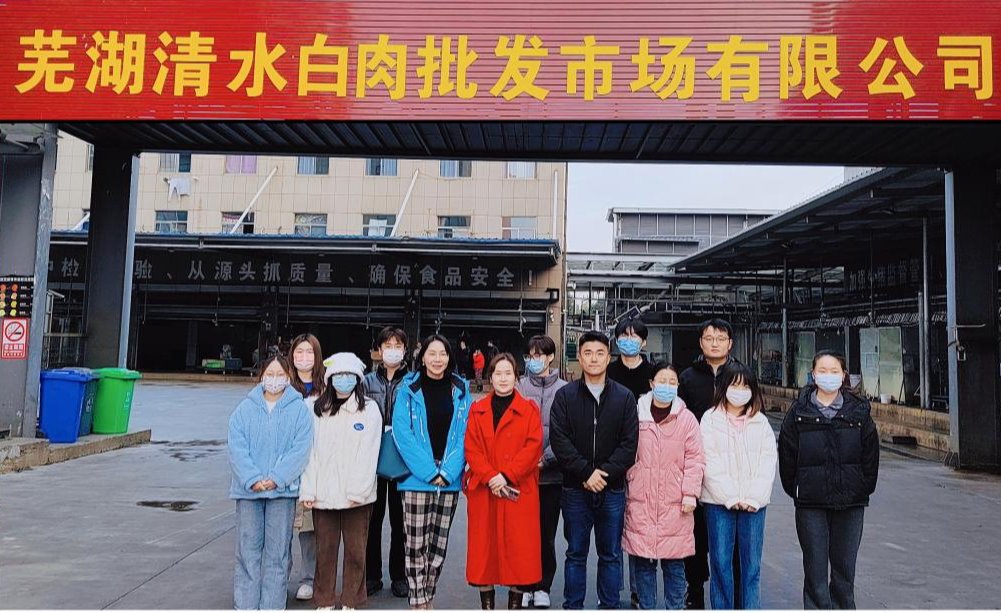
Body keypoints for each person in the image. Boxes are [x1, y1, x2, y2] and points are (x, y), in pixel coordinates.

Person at [779, 351, 879, 610]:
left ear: (843, 375)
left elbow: (870, 456)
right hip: (810, 503)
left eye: (834, 371)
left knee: (844, 570)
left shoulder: (858, 413)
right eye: (822, 371)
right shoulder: (799, 413)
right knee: (815, 570)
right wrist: (798, 488)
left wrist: (861, 487)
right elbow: (787, 457)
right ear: (813, 375)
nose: (828, 376)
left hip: (850, 502)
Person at [550, 331, 639, 610]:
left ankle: (609, 605)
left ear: (609, 357)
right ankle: (573, 606)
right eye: (587, 353)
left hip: (612, 491)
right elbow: (559, 440)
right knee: (575, 553)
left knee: (610, 555)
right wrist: (586, 473)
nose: (594, 359)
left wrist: (603, 474)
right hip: (575, 489)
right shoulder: (565, 396)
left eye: (600, 353)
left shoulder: (624, 397)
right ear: (579, 357)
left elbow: (629, 444)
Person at [392, 334, 473, 610]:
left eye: (443, 354)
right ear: (422, 357)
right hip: (416, 479)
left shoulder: (461, 389)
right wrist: (429, 472)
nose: (438, 359)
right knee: (415, 544)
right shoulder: (408, 388)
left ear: (449, 358)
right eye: (432, 353)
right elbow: (402, 433)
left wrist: (448, 472)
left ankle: (429, 595)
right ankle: (418, 602)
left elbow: (466, 434)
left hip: (449, 479)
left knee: (438, 545)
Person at [228, 355, 313, 610]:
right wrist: (252, 479)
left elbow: (300, 449)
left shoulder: (299, 410)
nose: (274, 380)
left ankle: (273, 605)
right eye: (270, 374)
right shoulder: (244, 409)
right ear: (261, 376)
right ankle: (245, 604)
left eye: (280, 375)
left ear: (288, 378)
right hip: (248, 492)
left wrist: (277, 478)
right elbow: (236, 447)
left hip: (282, 493)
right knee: (247, 552)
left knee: (278, 553)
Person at [299, 352, 382, 610]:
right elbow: (309, 453)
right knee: (325, 549)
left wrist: (359, 489)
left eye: (349, 375)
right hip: (323, 493)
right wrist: (309, 489)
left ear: (357, 379)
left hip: (358, 495)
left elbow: (370, 452)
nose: (343, 379)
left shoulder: (369, 410)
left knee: (356, 550)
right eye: (338, 375)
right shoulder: (314, 409)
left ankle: (351, 599)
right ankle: (324, 599)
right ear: (330, 378)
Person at [465, 353, 544, 609]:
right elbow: (472, 448)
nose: (503, 378)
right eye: (498, 373)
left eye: (508, 373)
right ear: (490, 377)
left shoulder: (529, 409)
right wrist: (490, 476)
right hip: (486, 489)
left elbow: (533, 447)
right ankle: (487, 606)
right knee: (484, 551)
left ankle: (514, 605)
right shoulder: (477, 409)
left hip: (516, 488)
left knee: (518, 551)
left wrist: (507, 475)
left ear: (516, 377)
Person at [622, 362, 704, 610]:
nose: (666, 386)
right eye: (662, 381)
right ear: (651, 384)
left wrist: (690, 493)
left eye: (672, 382)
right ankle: (646, 606)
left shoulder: (686, 419)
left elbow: (695, 458)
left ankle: (674, 607)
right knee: (643, 564)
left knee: (674, 563)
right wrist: (631, 477)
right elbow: (624, 448)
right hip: (641, 498)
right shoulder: (636, 414)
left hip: (675, 502)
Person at [700, 362, 777, 610]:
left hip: (754, 506)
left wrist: (754, 497)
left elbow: (767, 463)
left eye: (745, 386)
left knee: (751, 566)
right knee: (721, 563)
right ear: (723, 387)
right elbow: (708, 461)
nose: (740, 391)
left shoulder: (761, 423)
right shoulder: (710, 419)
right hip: (719, 503)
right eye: (734, 385)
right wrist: (730, 496)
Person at [677, 318, 737, 609]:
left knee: (728, 535)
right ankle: (695, 589)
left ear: (730, 344)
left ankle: (728, 592)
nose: (715, 343)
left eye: (720, 338)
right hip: (695, 467)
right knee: (696, 533)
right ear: (701, 342)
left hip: (731, 467)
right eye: (709, 338)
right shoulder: (687, 378)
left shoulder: (740, 376)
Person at [605, 318, 657, 609]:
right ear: (616, 340)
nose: (629, 340)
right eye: (623, 336)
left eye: (635, 336)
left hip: (646, 460)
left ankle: (639, 591)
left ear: (644, 342)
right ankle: (613, 591)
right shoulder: (608, 372)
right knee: (613, 529)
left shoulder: (653, 375)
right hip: (612, 459)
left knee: (640, 528)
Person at [515, 335, 569, 610]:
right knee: (522, 535)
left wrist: (545, 459)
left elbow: (567, 433)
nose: (533, 360)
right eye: (529, 356)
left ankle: (543, 586)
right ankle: (524, 584)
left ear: (550, 357)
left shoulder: (565, 390)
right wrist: (525, 461)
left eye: (538, 355)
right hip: (522, 477)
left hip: (551, 476)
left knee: (546, 535)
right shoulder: (519, 387)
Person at [364, 327, 411, 599]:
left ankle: (399, 575)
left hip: (402, 460)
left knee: (400, 520)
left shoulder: (413, 382)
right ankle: (371, 575)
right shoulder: (366, 382)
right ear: (379, 350)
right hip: (372, 458)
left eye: (397, 345)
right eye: (387, 345)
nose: (392, 350)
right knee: (372, 519)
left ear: (405, 350)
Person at [288, 333, 326, 602]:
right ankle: (278, 577)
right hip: (286, 468)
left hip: (315, 467)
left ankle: (308, 579)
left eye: (309, 352)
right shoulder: (283, 387)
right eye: (299, 352)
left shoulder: (326, 388)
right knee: (281, 528)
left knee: (309, 529)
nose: (304, 357)